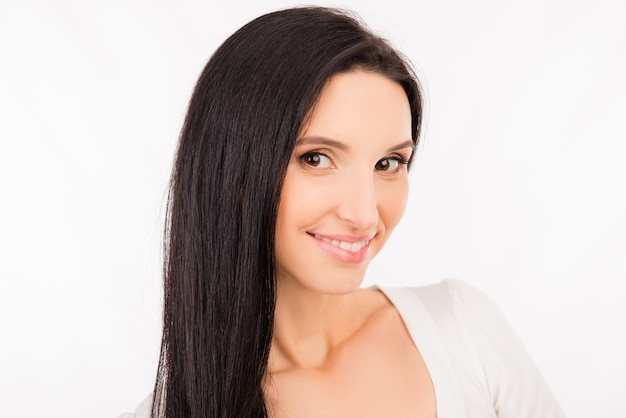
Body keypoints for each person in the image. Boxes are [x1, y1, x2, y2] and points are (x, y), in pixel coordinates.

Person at [120, 6, 565, 418]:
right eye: (316, 158)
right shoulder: (175, 409)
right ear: (232, 169)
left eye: (388, 163)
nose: (365, 215)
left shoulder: (464, 331)